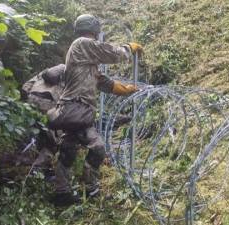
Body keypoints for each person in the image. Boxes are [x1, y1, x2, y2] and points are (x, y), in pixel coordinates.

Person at [47, 14, 143, 206]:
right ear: (94, 29)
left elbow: (100, 81)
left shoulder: (83, 57)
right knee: (98, 148)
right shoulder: (82, 43)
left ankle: (63, 192)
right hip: (76, 109)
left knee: (68, 151)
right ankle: (89, 188)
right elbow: (110, 53)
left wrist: (123, 89)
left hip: (75, 110)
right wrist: (127, 48)